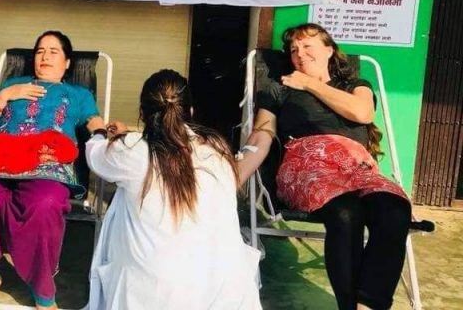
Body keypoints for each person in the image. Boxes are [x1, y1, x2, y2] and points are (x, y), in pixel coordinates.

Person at [238, 23, 411, 310]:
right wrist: (235, 176)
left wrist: (309, 84)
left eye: (307, 46)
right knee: (345, 213)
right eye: (293, 49)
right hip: (307, 165)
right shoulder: (278, 89)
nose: (299, 54)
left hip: (356, 167)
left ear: (329, 50)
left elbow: (363, 113)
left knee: (395, 209)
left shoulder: (356, 86)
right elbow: (262, 135)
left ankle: (368, 305)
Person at [0, 30, 105, 310]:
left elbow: (94, 121)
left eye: (53, 51)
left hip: (45, 161)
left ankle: (43, 292)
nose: (45, 57)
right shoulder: (13, 84)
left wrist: (105, 131)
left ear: (67, 62)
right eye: (40, 51)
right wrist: (3, 97)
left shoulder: (78, 94)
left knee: (45, 203)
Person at [85, 69, 261, 310]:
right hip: (221, 291)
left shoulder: (132, 152)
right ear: (190, 111)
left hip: (150, 293)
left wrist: (99, 131)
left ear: (142, 113)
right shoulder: (216, 149)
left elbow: (95, 156)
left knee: (124, 200)